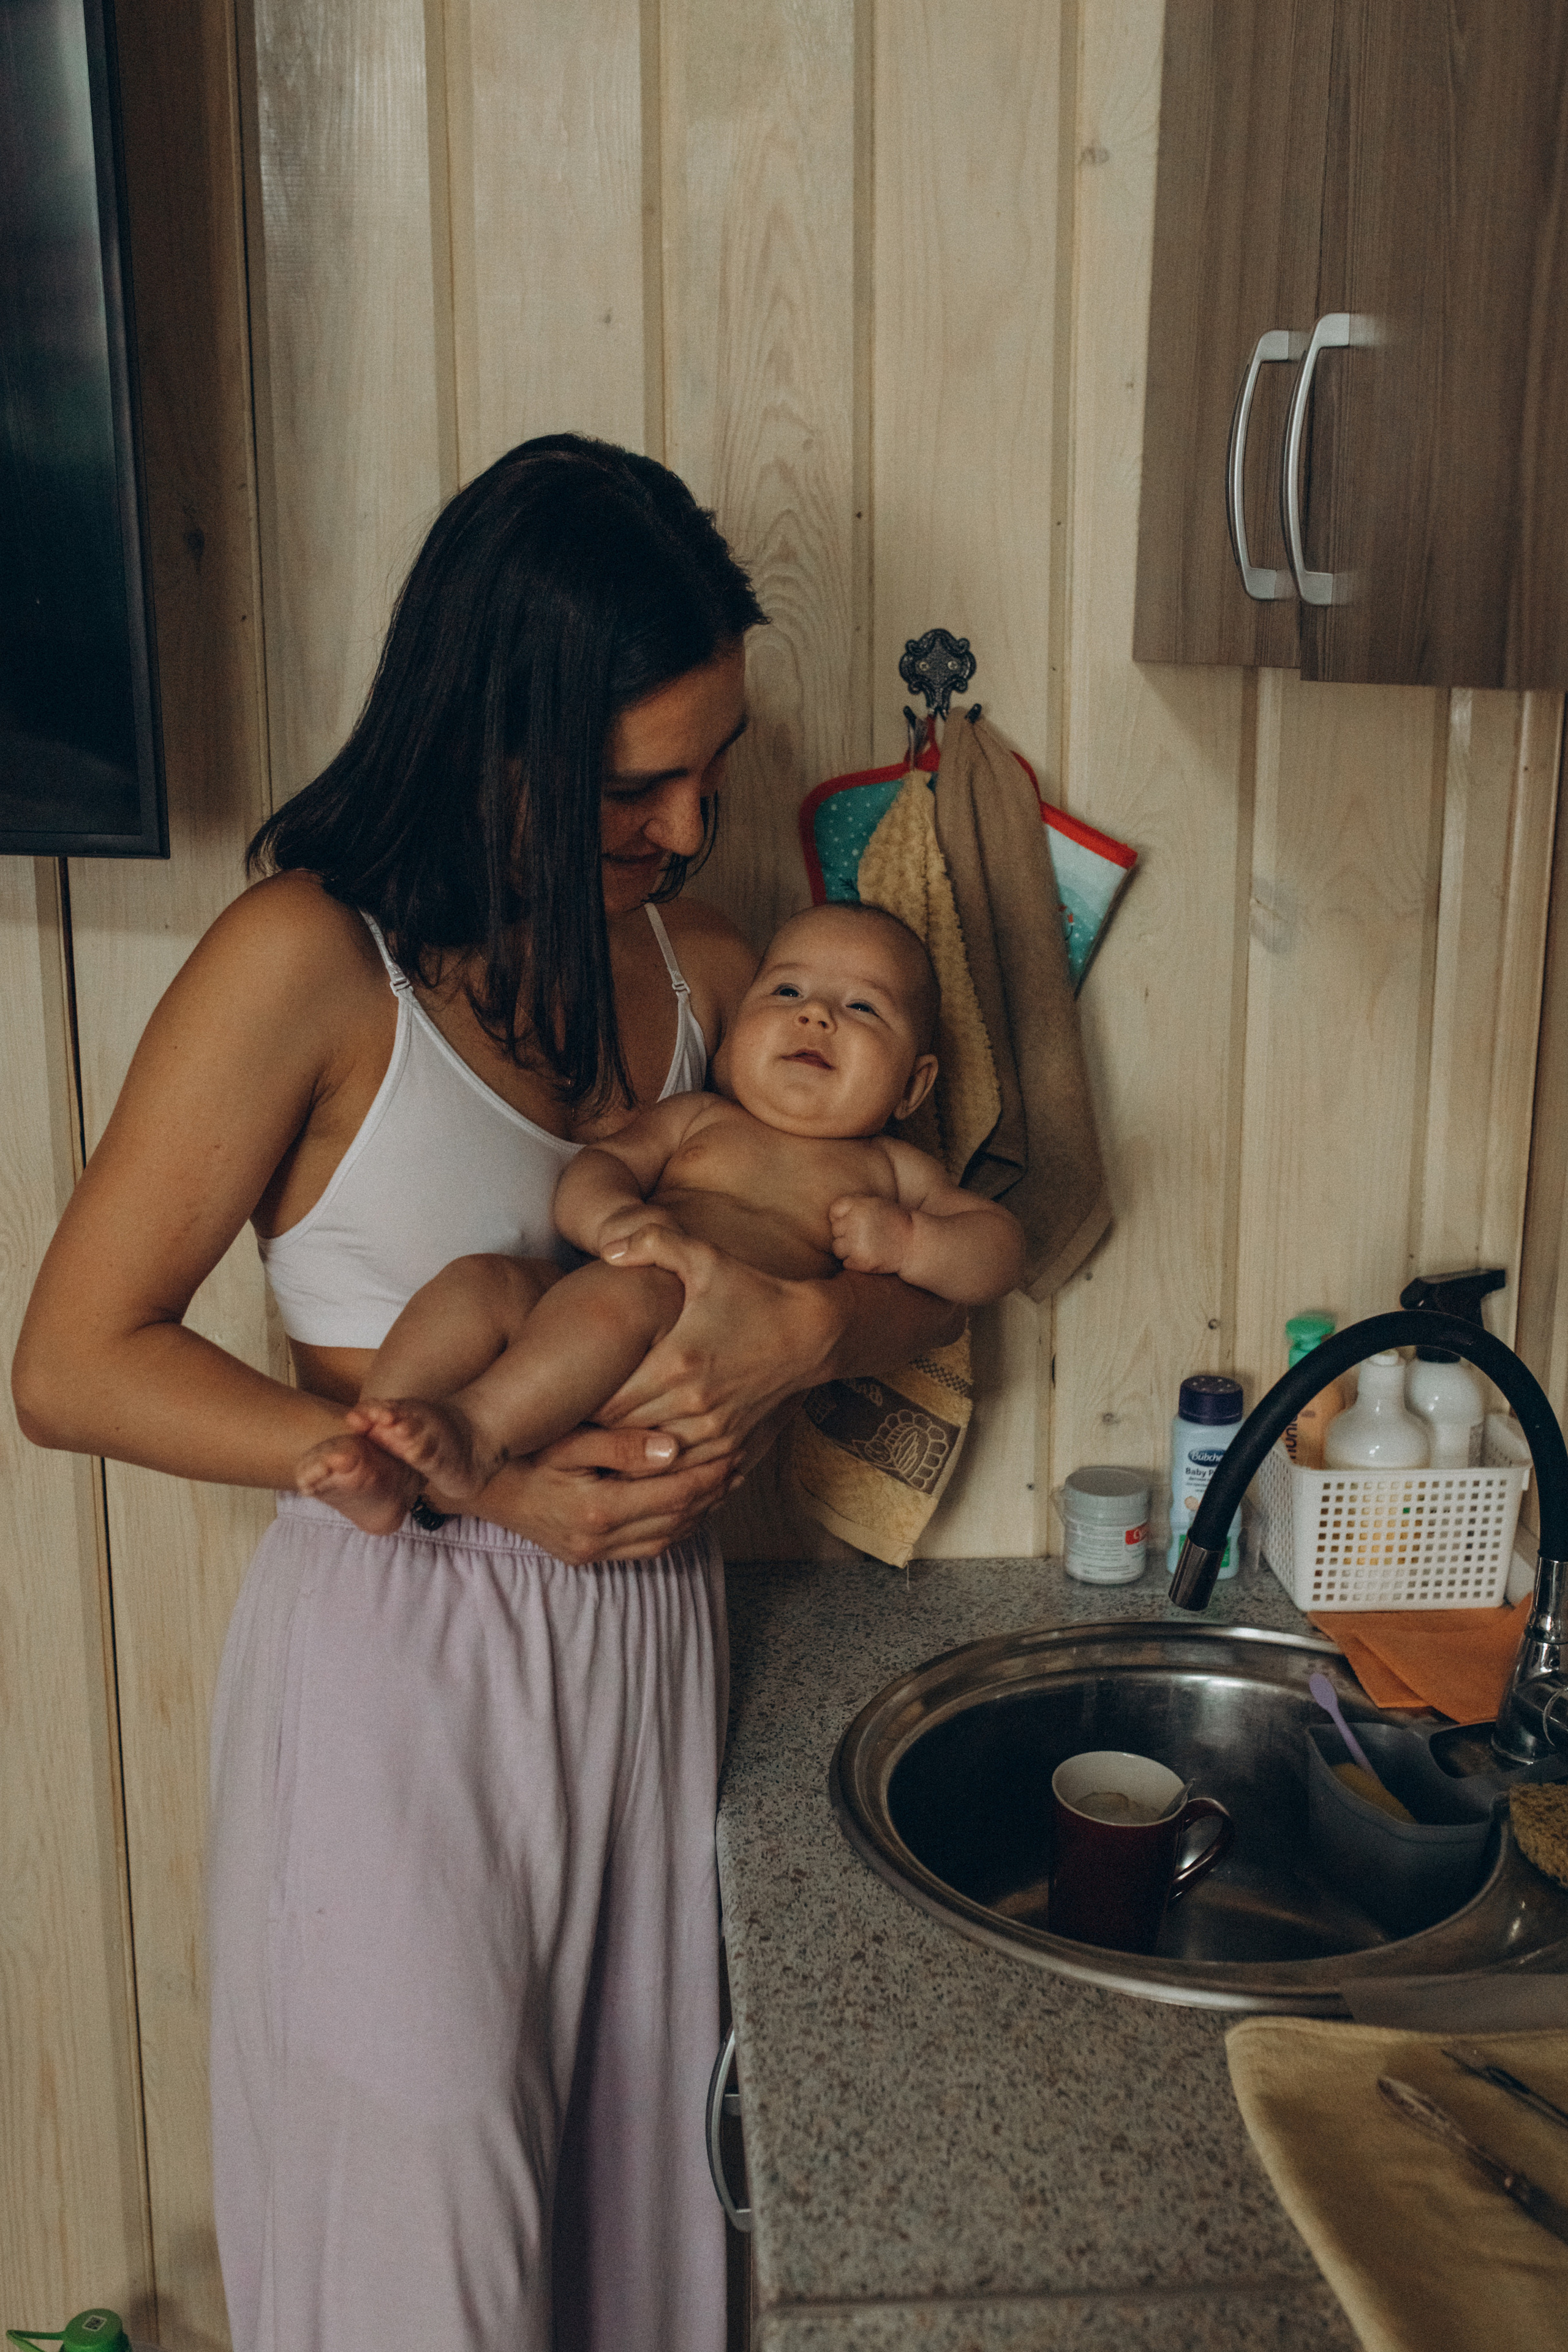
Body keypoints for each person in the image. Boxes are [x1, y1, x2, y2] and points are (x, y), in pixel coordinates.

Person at [12, 434, 965, 2352]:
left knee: (637, 2258)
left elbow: (870, 1262)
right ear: (489, 731)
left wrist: (803, 1340)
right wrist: (447, 1477)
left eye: (714, 760)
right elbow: (70, 1362)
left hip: (650, 1674)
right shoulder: (305, 960)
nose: (695, 822)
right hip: (402, 1688)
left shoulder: (710, 977)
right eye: (639, 782)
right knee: (418, 2272)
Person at [295, 902, 1025, 1529]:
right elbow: (601, 1167)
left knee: (638, 1291)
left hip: (691, 1349)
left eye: (862, 1007)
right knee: (479, 1283)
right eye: (787, 991)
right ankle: (381, 1449)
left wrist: (909, 1241)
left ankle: (475, 1434)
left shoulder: (890, 1170)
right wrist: (610, 1220)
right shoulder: (698, 1118)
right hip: (584, 1312)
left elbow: (997, 1251)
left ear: (913, 1085)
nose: (816, 1014)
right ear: (736, 1035)